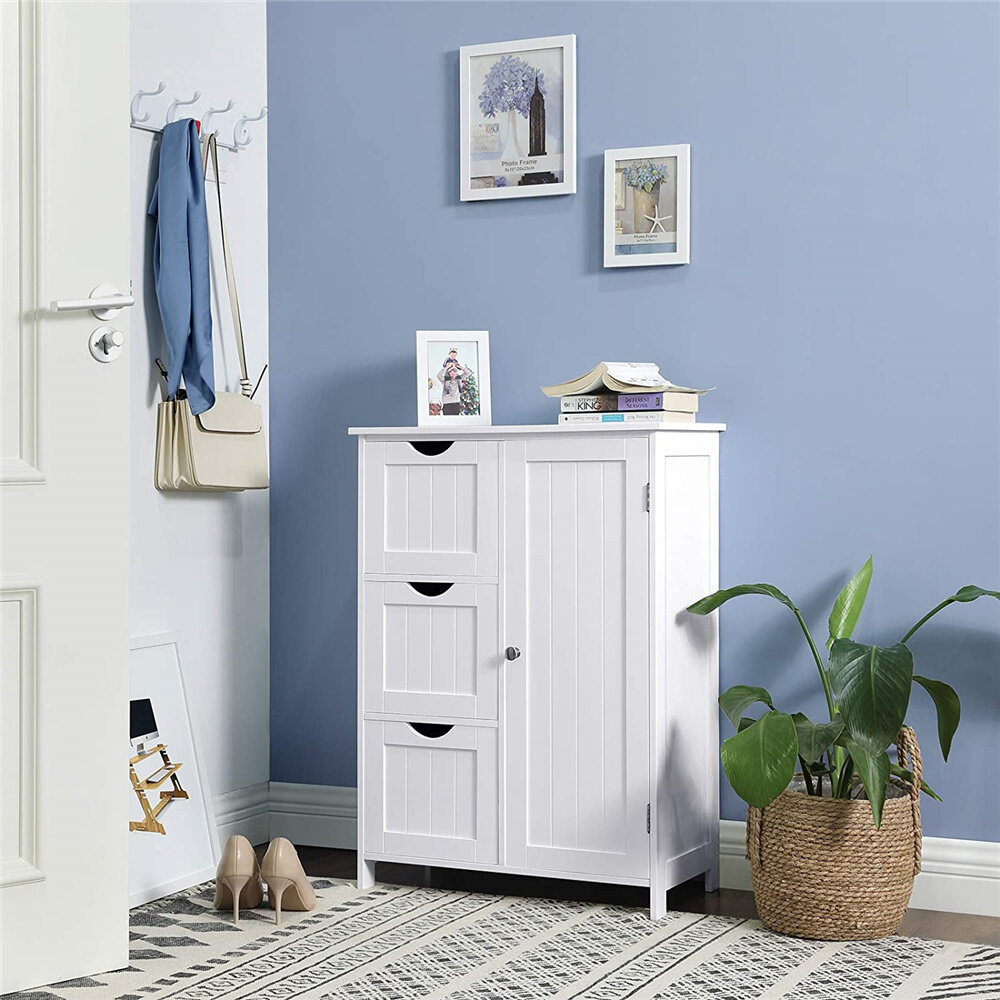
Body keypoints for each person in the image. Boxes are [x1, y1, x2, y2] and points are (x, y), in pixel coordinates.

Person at [436, 348, 471, 415]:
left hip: (456, 403)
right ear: (448, 373)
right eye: (451, 372)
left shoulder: (459, 378)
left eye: (454, 372)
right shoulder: (444, 380)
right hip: (446, 403)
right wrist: (446, 367)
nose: (453, 373)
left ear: (456, 373)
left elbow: (468, 373)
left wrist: (460, 367)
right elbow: (438, 375)